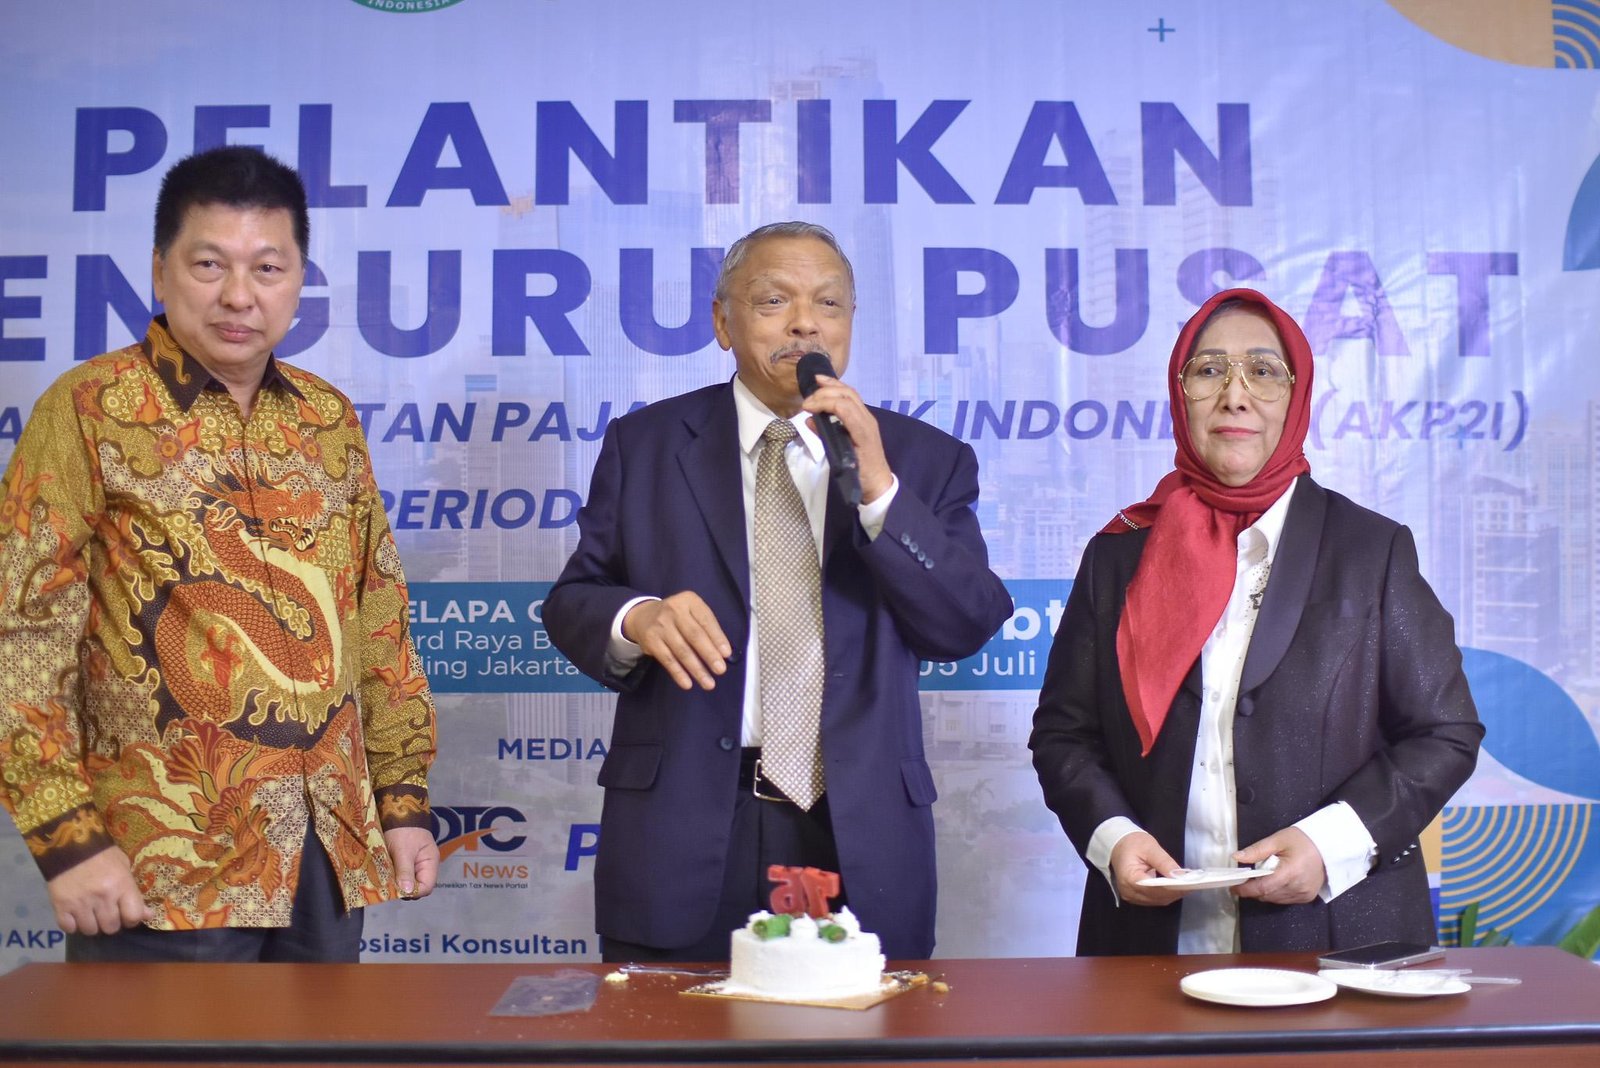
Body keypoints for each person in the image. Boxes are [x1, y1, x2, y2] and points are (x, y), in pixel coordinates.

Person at [0, 146, 439, 962]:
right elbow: (21, 633)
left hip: (326, 856)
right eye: (210, 265)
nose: (239, 295)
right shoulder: (90, 408)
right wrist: (66, 836)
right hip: (161, 865)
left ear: (298, 280)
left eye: (268, 268)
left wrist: (402, 799)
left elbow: (378, 617)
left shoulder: (327, 419)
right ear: (160, 271)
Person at [544, 221, 1012, 962]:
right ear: (721, 322)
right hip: (684, 823)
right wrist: (637, 618)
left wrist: (881, 492)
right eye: (773, 300)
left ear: (850, 323)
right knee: (670, 1025)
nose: (804, 323)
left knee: (859, 1030)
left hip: (859, 830)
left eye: (828, 303)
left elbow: (965, 622)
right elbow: (575, 598)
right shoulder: (647, 445)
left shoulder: (923, 459)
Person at [1029, 288, 1483, 955]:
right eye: (1210, 370)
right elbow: (1064, 735)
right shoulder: (1118, 556)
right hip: (1151, 943)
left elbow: (1445, 732)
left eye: (1264, 371)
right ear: (1180, 393)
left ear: (1296, 398)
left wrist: (1329, 844)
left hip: (1335, 941)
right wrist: (1113, 838)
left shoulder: (1371, 551)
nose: (1235, 396)